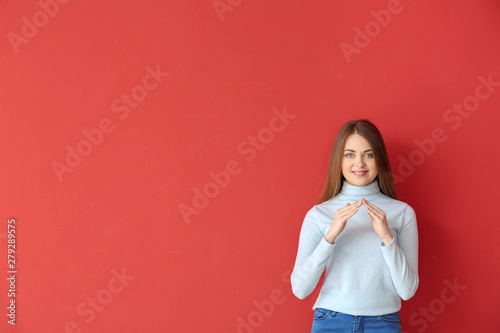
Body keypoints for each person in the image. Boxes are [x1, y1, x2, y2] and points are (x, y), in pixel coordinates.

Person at [291, 119, 418, 333]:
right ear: (338, 160)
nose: (359, 163)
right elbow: (300, 289)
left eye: (368, 154)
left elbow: (407, 291)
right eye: (349, 154)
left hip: (383, 323)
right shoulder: (318, 214)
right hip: (330, 321)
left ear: (379, 159)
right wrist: (330, 237)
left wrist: (387, 238)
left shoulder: (402, 213)